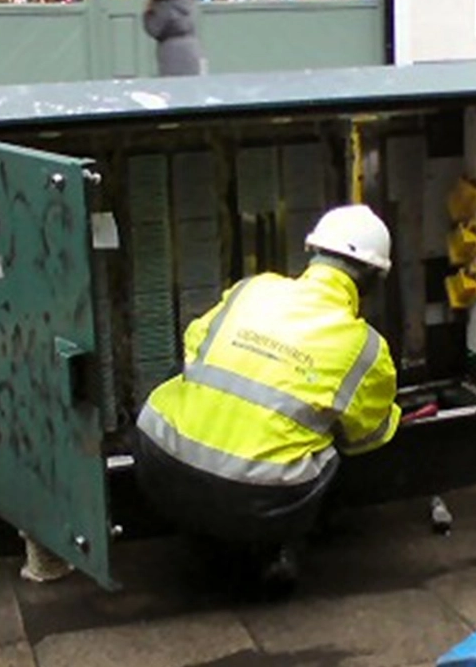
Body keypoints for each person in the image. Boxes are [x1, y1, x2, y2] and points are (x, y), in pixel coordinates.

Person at [134, 205, 402, 590]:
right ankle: (275, 552)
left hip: (160, 467)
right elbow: (368, 437)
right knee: (333, 439)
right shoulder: (365, 348)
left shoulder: (253, 289)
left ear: (313, 252)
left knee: (185, 373)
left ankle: (200, 531)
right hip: (261, 501)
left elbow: (194, 344)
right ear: (375, 278)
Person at [143, 0, 204, 76]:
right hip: (191, 46)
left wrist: (148, 12)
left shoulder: (161, 6)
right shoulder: (186, 0)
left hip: (170, 50)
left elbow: (153, 29)